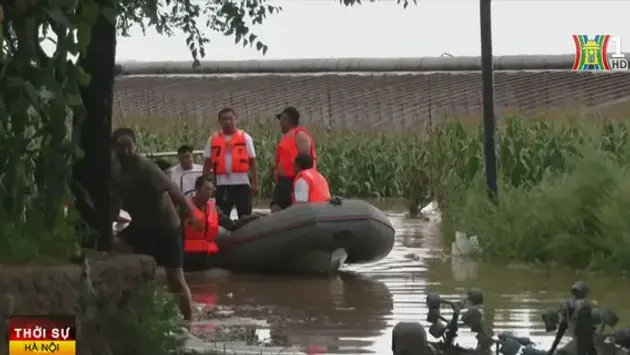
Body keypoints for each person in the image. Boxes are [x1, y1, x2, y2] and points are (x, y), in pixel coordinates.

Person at [111, 127, 198, 325]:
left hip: (166, 227)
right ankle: (136, 312)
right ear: (113, 149)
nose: (125, 151)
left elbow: (172, 189)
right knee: (112, 246)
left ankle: (189, 322)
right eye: (120, 147)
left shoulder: (144, 166)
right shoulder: (114, 170)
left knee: (174, 276)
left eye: (129, 146)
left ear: (135, 146)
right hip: (141, 226)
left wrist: (190, 212)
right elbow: (114, 200)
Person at [202, 108, 259, 218]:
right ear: (219, 122)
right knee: (221, 217)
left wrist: (255, 184)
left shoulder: (245, 138)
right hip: (222, 185)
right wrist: (204, 183)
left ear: (235, 120)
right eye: (224, 119)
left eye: (230, 118)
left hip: (242, 184)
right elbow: (207, 163)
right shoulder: (212, 139)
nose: (227, 122)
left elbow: (253, 162)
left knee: (246, 217)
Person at [271, 106, 317, 212]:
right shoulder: (288, 136)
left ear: (286, 119)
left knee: (283, 210)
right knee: (276, 208)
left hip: (293, 181)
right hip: (284, 183)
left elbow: (306, 160)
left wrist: (299, 181)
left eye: (281, 120)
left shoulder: (300, 135)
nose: (280, 123)